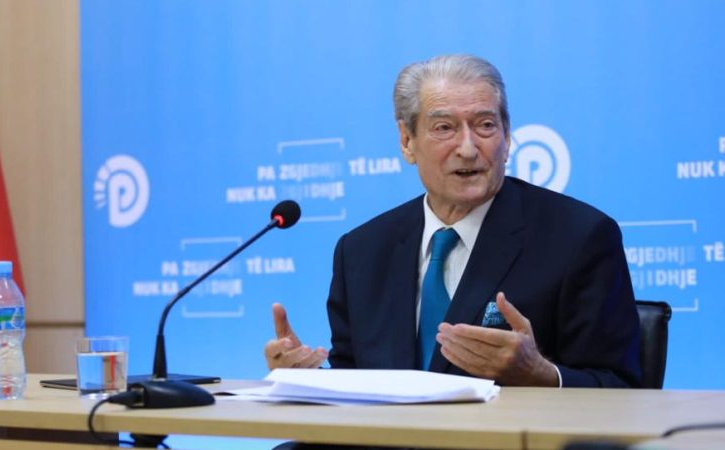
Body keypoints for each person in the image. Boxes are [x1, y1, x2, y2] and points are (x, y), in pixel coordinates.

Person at [263, 54, 641, 388]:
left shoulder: (579, 238)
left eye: (485, 125)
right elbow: (356, 383)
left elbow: (621, 390)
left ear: (507, 137)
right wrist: (304, 379)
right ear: (407, 141)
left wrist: (540, 374)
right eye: (444, 128)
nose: (468, 148)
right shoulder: (362, 251)